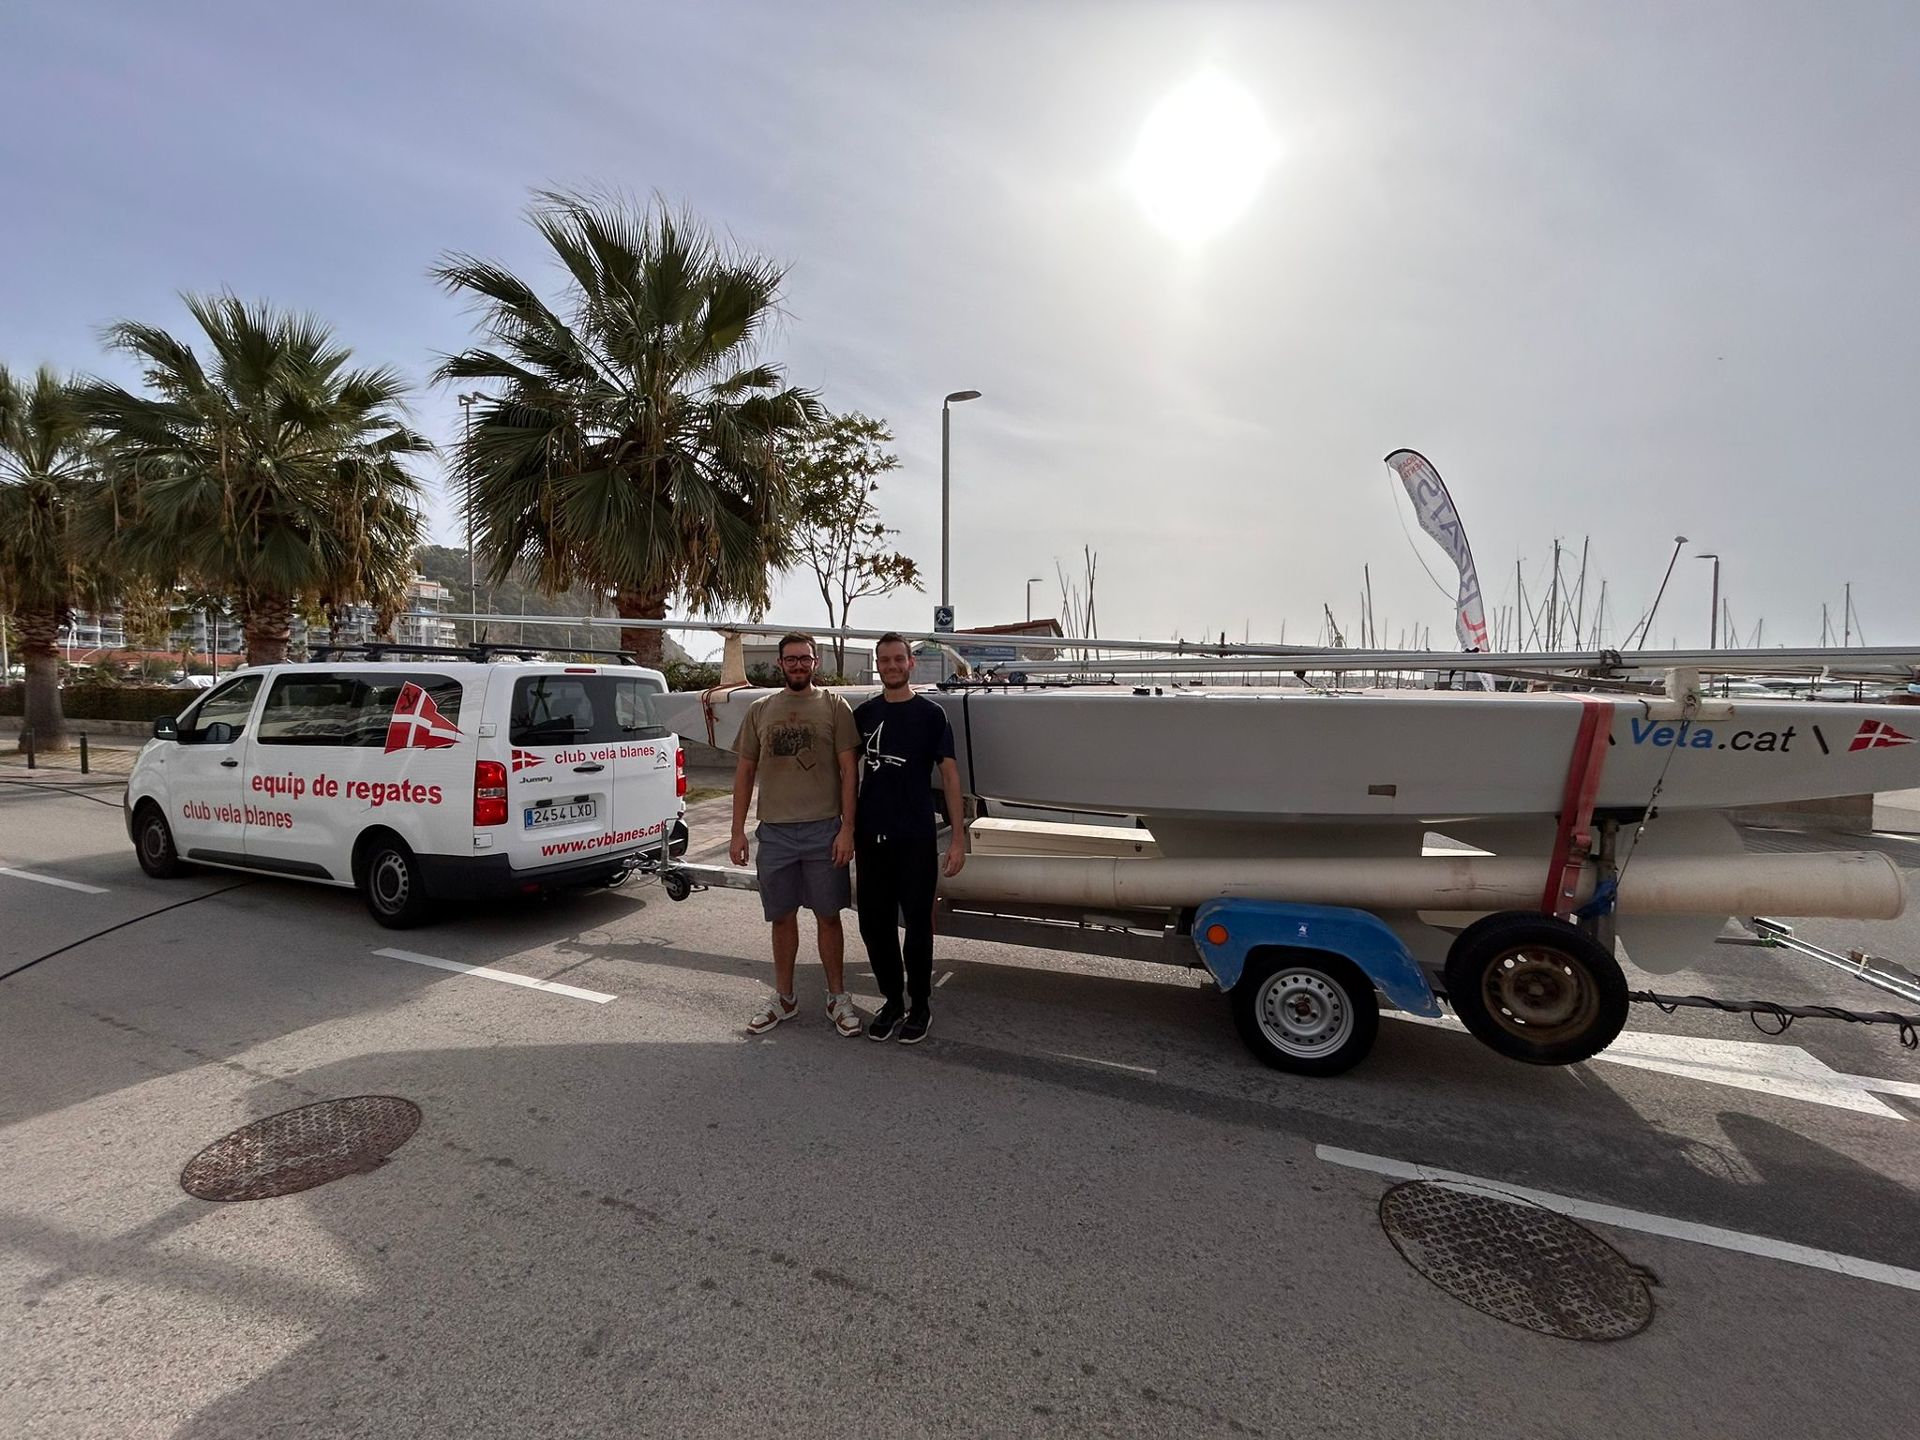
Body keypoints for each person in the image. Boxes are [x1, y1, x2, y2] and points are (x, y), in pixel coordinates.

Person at [730, 633, 864, 1037]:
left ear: (815, 662)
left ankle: (837, 997)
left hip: (824, 829)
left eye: (805, 658)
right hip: (775, 834)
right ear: (779, 664)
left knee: (828, 916)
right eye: (791, 659)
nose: (798, 665)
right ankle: (785, 998)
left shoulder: (834, 707)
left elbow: (848, 772)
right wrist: (737, 831)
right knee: (782, 917)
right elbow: (744, 773)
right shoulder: (760, 710)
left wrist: (847, 829)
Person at [852, 632, 966, 1045]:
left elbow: (950, 777)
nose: (893, 665)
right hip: (871, 837)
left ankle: (920, 1005)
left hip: (917, 837)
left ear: (909, 664)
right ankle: (892, 1001)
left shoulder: (932, 715)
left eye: (899, 659)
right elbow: (849, 774)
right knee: (874, 924)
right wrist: (846, 829)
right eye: (885, 660)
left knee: (918, 925)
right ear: (878, 665)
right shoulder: (863, 715)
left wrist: (958, 838)